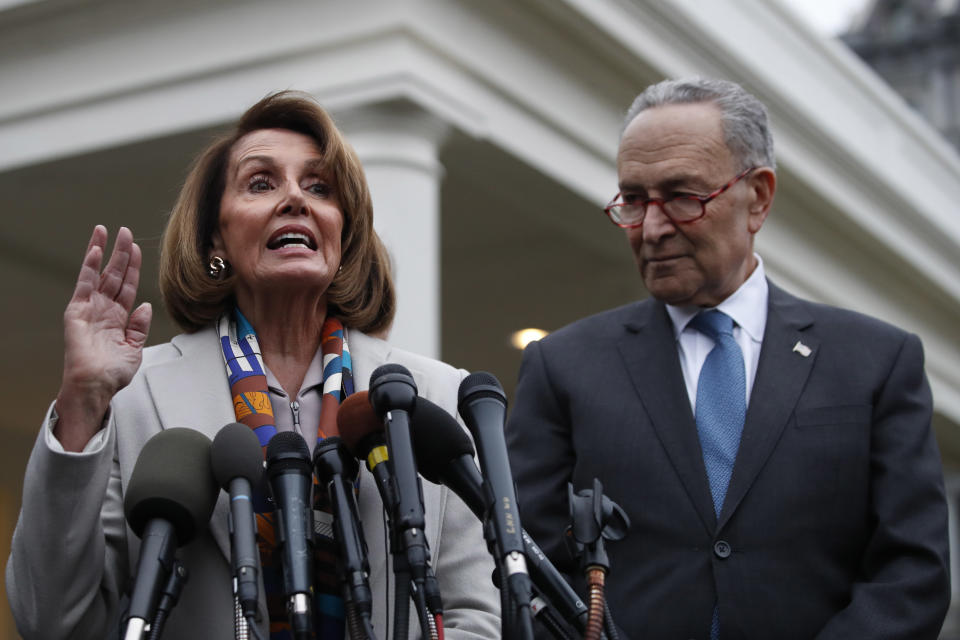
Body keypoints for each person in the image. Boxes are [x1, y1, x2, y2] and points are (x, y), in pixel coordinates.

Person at [6, 91, 500, 639]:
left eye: (320, 187)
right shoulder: (133, 399)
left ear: (343, 231)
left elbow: (478, 616)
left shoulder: (433, 393)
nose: (295, 198)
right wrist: (82, 402)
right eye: (261, 183)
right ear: (215, 235)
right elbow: (54, 621)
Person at [505, 78, 950, 639]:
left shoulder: (878, 362)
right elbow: (528, 568)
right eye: (634, 200)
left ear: (758, 196)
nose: (653, 228)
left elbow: (912, 572)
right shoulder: (562, 367)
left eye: (684, 197)